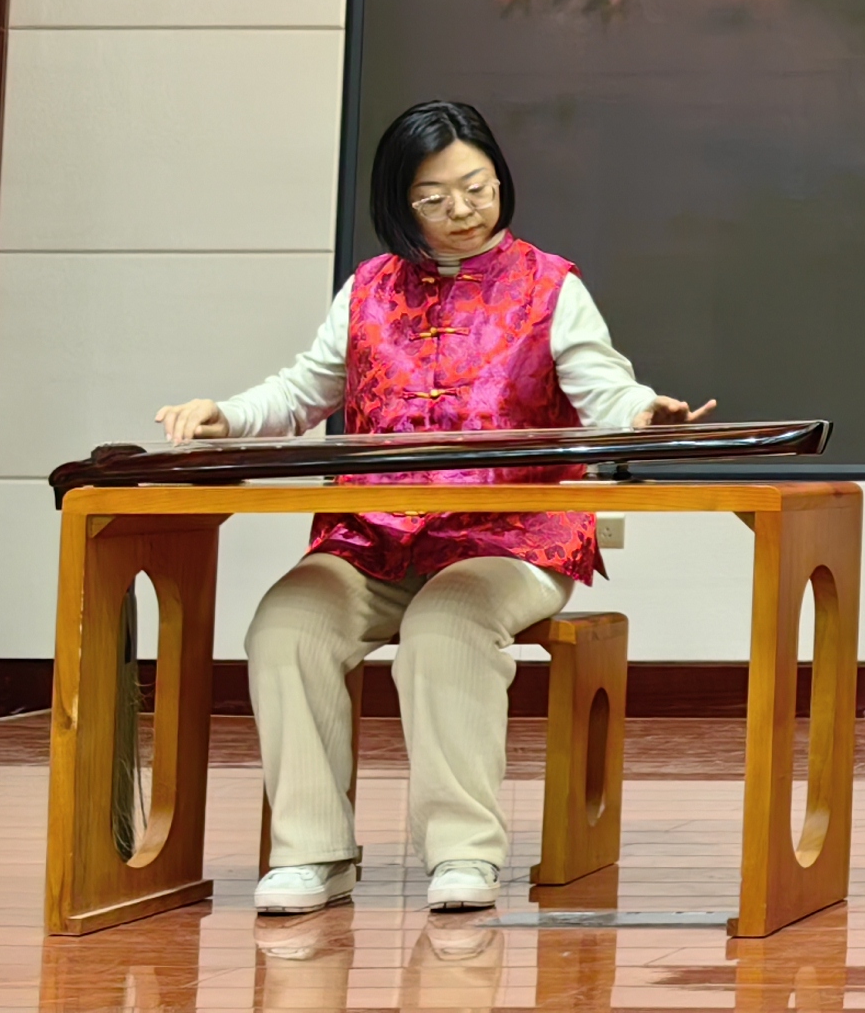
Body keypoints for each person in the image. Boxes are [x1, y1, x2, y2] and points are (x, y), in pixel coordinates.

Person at [150, 102, 708, 917]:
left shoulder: (550, 285)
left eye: (477, 187)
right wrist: (224, 417)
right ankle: (313, 852)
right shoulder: (369, 288)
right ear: (398, 202)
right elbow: (304, 391)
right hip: (373, 540)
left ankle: (463, 851)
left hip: (510, 541)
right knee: (286, 627)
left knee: (445, 627)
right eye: (435, 197)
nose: (462, 210)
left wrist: (641, 413)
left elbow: (605, 388)